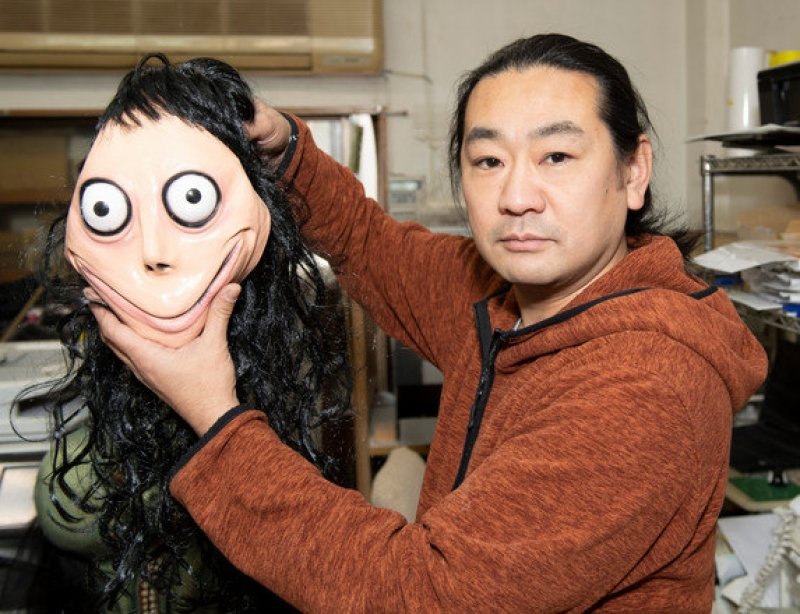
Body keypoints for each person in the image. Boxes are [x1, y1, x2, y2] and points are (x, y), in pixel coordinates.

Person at [93, 34, 768, 612]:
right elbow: (369, 245)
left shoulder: (645, 389)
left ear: (633, 170)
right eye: (488, 161)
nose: (517, 197)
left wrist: (215, 418)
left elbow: (423, 595)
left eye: (557, 157)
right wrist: (285, 156)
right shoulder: (501, 297)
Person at [30, 54, 349, 612]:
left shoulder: (273, 431)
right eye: (106, 210)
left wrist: (211, 414)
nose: (155, 253)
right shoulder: (88, 459)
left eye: (191, 200)